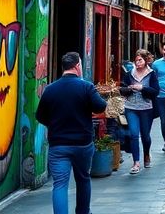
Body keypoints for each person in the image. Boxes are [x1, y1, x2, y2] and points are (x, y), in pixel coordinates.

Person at [35, 52, 107, 214]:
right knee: (83, 179)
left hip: (59, 145)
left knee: (59, 184)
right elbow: (100, 106)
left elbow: (40, 115)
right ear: (77, 66)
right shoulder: (86, 87)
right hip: (83, 144)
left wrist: (54, 124)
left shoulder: (50, 89)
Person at [120, 50, 159, 174]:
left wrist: (142, 88)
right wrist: (128, 89)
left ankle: (146, 153)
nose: (138, 63)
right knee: (133, 134)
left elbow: (156, 91)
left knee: (145, 136)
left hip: (146, 108)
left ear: (146, 60)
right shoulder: (129, 73)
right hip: (131, 107)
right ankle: (136, 162)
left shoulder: (152, 74)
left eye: (140, 60)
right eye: (136, 60)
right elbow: (122, 87)